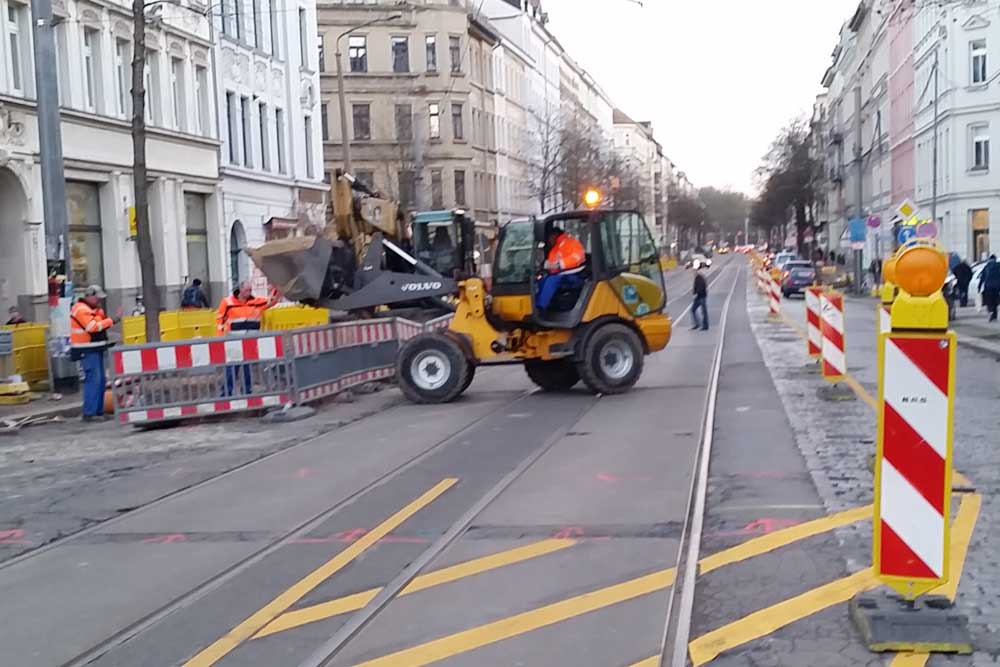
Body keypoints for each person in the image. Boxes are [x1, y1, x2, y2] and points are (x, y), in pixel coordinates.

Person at [216, 282, 278, 394]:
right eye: (246, 290)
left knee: (247, 367)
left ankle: (247, 391)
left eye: (250, 290)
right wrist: (220, 337)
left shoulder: (256, 302)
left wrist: (277, 289)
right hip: (234, 340)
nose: (249, 293)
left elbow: (272, 301)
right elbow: (220, 319)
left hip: (250, 340)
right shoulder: (227, 302)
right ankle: (226, 392)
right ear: (240, 289)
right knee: (232, 367)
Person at [70, 285, 118, 422]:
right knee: (93, 380)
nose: (99, 301)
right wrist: (111, 320)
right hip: (86, 350)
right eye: (97, 298)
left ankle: (98, 411)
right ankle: (90, 413)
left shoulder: (94, 309)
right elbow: (91, 327)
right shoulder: (81, 309)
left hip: (95, 348)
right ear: (90, 296)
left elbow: (99, 325)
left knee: (101, 380)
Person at [536, 226, 585, 311]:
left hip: (574, 275)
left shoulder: (572, 243)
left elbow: (578, 257)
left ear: (554, 235)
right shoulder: (555, 248)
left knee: (552, 280)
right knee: (541, 279)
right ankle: (538, 304)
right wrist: (545, 266)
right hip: (561, 275)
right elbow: (551, 264)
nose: (548, 241)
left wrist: (560, 264)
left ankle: (540, 307)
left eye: (549, 238)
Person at [979, 254, 1000, 323]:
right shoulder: (998, 266)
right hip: (997, 286)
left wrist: (979, 287)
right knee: (995, 300)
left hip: (988, 286)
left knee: (989, 300)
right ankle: (994, 314)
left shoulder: (987, 266)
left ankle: (991, 311)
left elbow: (982, 277)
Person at [691, 262, 709, 331]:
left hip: (701, 296)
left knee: (703, 311)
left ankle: (705, 326)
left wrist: (696, 293)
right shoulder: (697, 278)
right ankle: (697, 324)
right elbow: (695, 287)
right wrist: (694, 293)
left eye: (694, 271)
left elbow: (701, 287)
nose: (693, 272)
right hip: (698, 296)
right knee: (693, 310)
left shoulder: (700, 278)